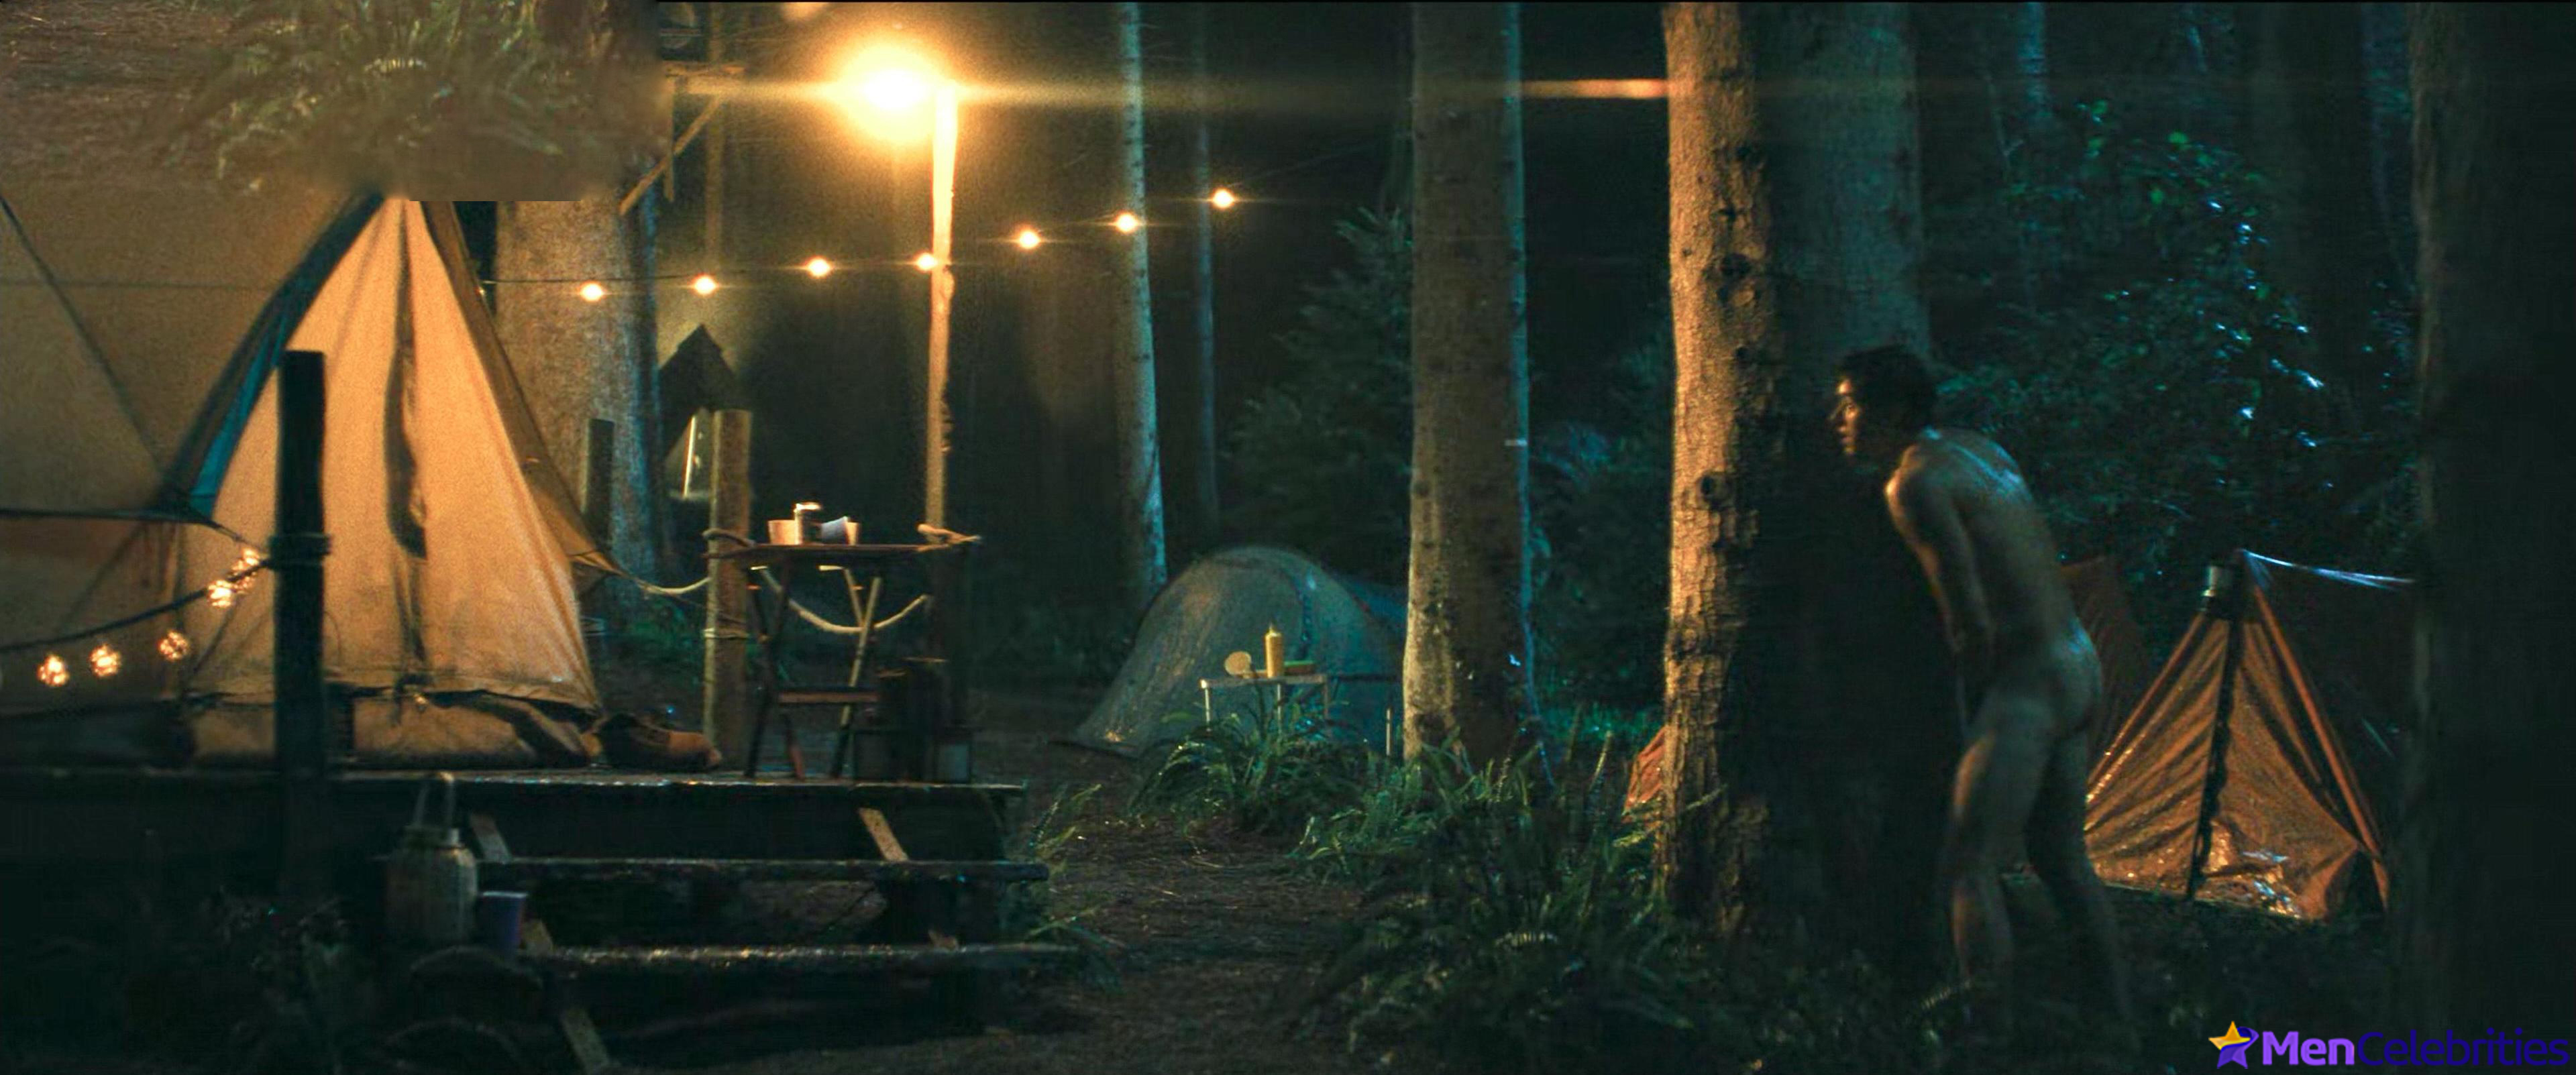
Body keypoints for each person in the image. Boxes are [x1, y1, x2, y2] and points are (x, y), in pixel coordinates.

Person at [1829, 345, 2135, 1039]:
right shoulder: (1976, 448)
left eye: (1849, 405)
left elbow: (1968, 619)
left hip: (2029, 686)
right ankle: (2120, 1024)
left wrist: (1965, 719)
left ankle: (1989, 1035)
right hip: (2078, 664)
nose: (1837, 420)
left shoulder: (1912, 485)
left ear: (1893, 412)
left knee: (1968, 867)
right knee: (2062, 857)